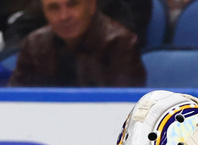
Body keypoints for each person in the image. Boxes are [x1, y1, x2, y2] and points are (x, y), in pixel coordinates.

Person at [8, 0, 145, 86]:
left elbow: (123, 107)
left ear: (91, 5)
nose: (64, 16)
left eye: (72, 4)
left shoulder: (120, 43)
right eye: (54, 8)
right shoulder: (33, 45)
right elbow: (13, 102)